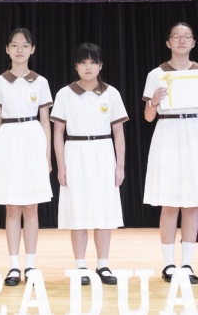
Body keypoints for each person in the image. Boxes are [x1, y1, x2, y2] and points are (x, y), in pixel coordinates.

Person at [142, 22, 198, 284]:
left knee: (191, 202)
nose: (182, 40)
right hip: (168, 131)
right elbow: (148, 117)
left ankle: (187, 264)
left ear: (194, 42)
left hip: (195, 132)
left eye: (187, 36)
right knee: (169, 202)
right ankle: (168, 264)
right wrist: (154, 101)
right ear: (168, 42)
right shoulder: (156, 74)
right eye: (176, 36)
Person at [51, 42, 127, 286]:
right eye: (83, 62)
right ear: (76, 66)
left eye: (93, 62)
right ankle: (80, 266)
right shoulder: (64, 94)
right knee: (78, 211)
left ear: (100, 65)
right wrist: (61, 166)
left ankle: (103, 265)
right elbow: (58, 132)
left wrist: (120, 165)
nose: (88, 67)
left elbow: (118, 132)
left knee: (104, 211)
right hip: (75, 152)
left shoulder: (111, 93)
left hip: (103, 152)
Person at [0, 28, 53, 286]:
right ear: (7, 49)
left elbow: (45, 121)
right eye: (14, 45)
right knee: (12, 207)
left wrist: (47, 156)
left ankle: (31, 265)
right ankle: (14, 266)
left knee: (31, 207)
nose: (19, 50)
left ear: (32, 49)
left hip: (32, 139)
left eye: (25, 45)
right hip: (8, 139)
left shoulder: (41, 82)